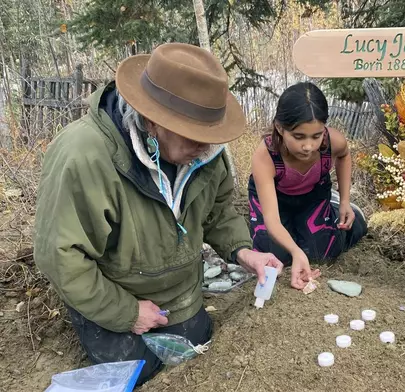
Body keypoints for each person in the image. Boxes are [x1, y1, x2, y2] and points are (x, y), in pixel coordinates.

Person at [33, 43, 283, 386]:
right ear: (153, 120)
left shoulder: (205, 154)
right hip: (114, 293)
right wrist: (127, 312)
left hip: (179, 292)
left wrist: (245, 252)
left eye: (211, 135)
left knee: (196, 348)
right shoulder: (85, 157)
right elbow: (61, 257)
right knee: (140, 369)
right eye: (196, 136)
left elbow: (218, 212)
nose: (206, 148)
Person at [248, 82, 367, 289]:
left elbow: (345, 155)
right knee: (276, 256)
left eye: (316, 135)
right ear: (279, 128)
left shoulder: (332, 142)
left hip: (313, 193)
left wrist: (346, 200)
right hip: (275, 199)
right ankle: (292, 231)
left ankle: (337, 206)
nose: (308, 146)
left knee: (320, 253)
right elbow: (273, 221)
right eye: (298, 137)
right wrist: (295, 252)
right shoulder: (265, 156)